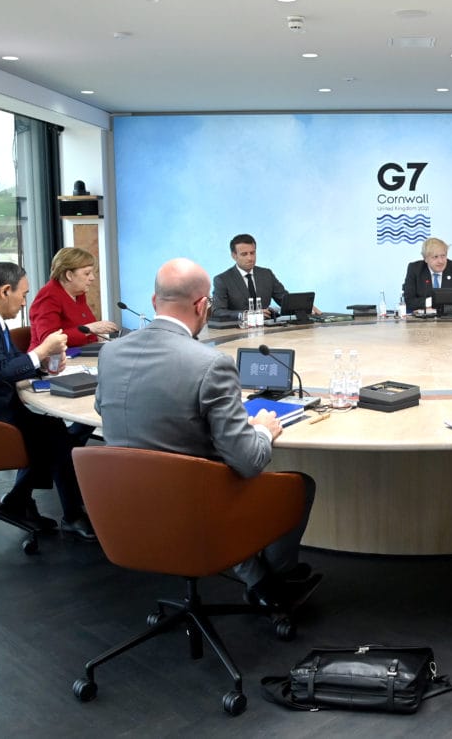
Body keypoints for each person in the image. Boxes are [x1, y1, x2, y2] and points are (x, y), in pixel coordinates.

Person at [95, 257, 317, 607]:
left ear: (155, 302)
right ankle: (273, 582)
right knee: (299, 485)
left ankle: (257, 578)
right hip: (193, 505)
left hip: (123, 502)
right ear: (202, 306)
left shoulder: (110, 352)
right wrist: (261, 430)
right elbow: (249, 462)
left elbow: (102, 409)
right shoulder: (210, 364)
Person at [0, 261, 96, 540]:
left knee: (52, 430)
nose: (25, 302)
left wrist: (42, 366)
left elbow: (8, 361)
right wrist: (42, 350)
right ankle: (69, 514)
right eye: (23, 295)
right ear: (4, 291)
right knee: (55, 436)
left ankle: (19, 499)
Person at [210, 233, 318, 322]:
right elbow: (218, 311)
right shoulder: (222, 280)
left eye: (252, 253)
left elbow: (284, 299)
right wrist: (248, 314)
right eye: (244, 254)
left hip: (268, 329)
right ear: (234, 256)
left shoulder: (266, 274)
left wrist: (304, 307)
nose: (250, 258)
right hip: (238, 330)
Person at [28, 247, 118, 349]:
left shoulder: (78, 293)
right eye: (87, 273)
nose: (92, 278)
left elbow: (85, 332)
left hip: (79, 355)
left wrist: (98, 336)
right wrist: (91, 329)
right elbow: (49, 340)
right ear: (69, 275)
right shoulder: (48, 296)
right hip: (50, 361)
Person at [401, 237, 452, 312]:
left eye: (443, 256)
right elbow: (409, 301)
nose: (440, 261)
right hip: (424, 321)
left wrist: (438, 304)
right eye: (435, 257)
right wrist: (431, 302)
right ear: (426, 259)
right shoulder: (415, 269)